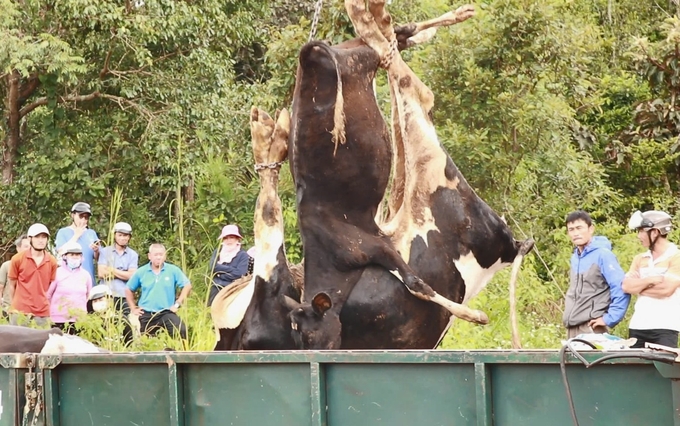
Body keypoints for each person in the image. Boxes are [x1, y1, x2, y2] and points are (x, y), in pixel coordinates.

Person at [563, 210, 629, 339]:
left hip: (591, 327)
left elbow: (620, 287)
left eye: (579, 228)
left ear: (591, 229)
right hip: (573, 327)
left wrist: (610, 319)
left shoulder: (603, 255)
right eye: (571, 229)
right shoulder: (575, 257)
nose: (575, 233)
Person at [623, 210, 680, 348]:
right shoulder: (640, 258)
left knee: (662, 369)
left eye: (642, 231)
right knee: (635, 368)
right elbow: (626, 286)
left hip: (666, 327)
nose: (639, 236)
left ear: (655, 232)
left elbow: (665, 289)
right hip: (638, 325)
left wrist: (639, 287)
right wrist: (649, 281)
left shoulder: (676, 256)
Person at [125, 243, 192, 341]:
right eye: (155, 255)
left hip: (166, 312)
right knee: (139, 340)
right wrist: (133, 308)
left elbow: (187, 285)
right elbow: (128, 289)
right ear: (149, 256)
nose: (158, 257)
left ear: (165, 256)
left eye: (161, 254)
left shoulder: (173, 270)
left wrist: (178, 303)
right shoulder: (141, 271)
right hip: (145, 313)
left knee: (181, 331)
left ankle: (180, 354)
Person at [6, 223, 58, 327]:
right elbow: (12, 284)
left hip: (42, 312)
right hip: (20, 312)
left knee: (43, 342)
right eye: (37, 237)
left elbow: (49, 286)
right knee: (17, 342)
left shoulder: (52, 261)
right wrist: (14, 306)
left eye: (44, 237)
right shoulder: (17, 259)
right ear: (30, 239)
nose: (41, 240)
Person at [97, 221, 138, 343]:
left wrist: (111, 269)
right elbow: (101, 273)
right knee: (103, 323)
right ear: (115, 235)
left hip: (123, 295)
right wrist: (122, 273)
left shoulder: (132, 255)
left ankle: (127, 347)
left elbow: (132, 276)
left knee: (125, 323)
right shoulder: (105, 251)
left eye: (126, 235)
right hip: (106, 294)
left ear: (129, 237)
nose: (123, 238)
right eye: (120, 235)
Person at [46, 242, 93, 334]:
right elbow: (48, 295)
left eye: (77, 255)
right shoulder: (57, 273)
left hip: (79, 319)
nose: (75, 257)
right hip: (58, 319)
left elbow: (88, 295)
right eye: (72, 254)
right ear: (65, 256)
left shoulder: (86, 275)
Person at [55, 202, 100, 286]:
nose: (83, 220)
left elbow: (98, 258)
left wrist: (96, 250)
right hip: (68, 282)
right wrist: (76, 235)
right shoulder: (63, 232)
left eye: (86, 217)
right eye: (80, 216)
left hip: (88, 280)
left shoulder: (91, 233)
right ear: (73, 215)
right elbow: (60, 252)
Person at [207, 224, 250, 306]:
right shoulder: (218, 251)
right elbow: (213, 267)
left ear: (237, 239)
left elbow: (239, 273)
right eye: (226, 238)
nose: (228, 240)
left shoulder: (242, 255)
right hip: (216, 286)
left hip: (234, 288)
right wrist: (231, 270)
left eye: (231, 237)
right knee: (211, 311)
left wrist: (220, 274)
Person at [0, 235, 30, 318]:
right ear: (18, 248)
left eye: (31, 246)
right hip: (9, 310)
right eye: (26, 246)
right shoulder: (7, 265)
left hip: (29, 311)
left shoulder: (36, 267)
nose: (29, 249)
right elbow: (1, 288)